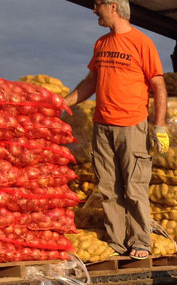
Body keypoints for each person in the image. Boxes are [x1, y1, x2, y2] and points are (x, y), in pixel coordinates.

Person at [64, 0, 169, 259]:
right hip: (102, 125)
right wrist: (61, 103)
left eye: (97, 4)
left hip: (132, 124)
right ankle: (117, 242)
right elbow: (91, 82)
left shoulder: (141, 42)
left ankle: (141, 241)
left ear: (113, 6)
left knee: (134, 187)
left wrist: (160, 126)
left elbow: (159, 86)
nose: (93, 10)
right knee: (109, 188)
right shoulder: (101, 43)